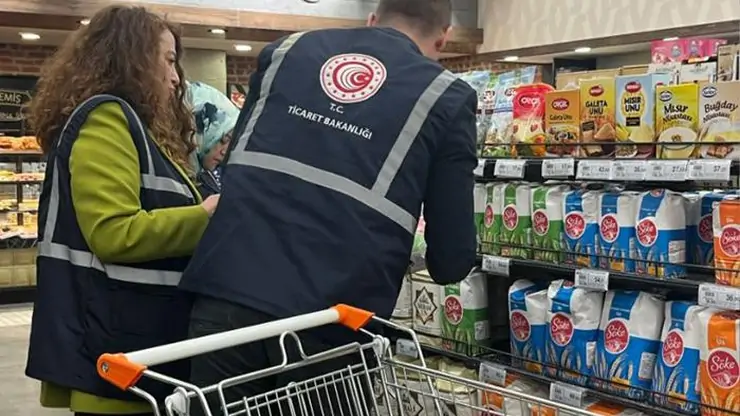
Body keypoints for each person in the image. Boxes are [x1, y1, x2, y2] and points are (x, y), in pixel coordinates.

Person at [179, 0, 476, 411]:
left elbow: (236, 168)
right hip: (331, 324)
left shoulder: (284, 52)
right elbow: (452, 260)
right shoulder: (447, 96)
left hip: (228, 294)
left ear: (372, 20)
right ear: (442, 40)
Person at [24, 5, 218, 416]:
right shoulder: (107, 118)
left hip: (135, 342)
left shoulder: (140, 129)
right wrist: (205, 216)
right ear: (132, 58)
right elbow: (114, 232)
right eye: (168, 60)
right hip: (116, 349)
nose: (176, 77)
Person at [186, 81, 240, 197]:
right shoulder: (181, 179)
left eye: (232, 143)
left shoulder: (216, 176)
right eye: (222, 140)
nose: (225, 152)